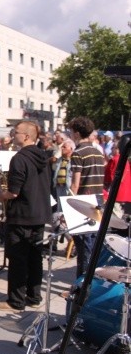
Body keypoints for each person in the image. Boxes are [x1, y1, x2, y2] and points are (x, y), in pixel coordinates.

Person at [0, 121, 51, 313]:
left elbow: (14, 193)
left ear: (26, 136)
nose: (13, 134)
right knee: (35, 257)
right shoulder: (43, 156)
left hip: (21, 215)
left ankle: (15, 301)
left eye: (16, 132)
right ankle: (34, 297)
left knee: (17, 259)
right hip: (39, 214)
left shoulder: (19, 158)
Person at [68, 116, 105, 278]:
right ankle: (91, 278)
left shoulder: (78, 153)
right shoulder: (98, 152)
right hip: (98, 200)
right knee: (94, 245)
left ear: (76, 133)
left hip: (83, 201)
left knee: (83, 248)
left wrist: (67, 207)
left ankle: (81, 284)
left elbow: (75, 184)